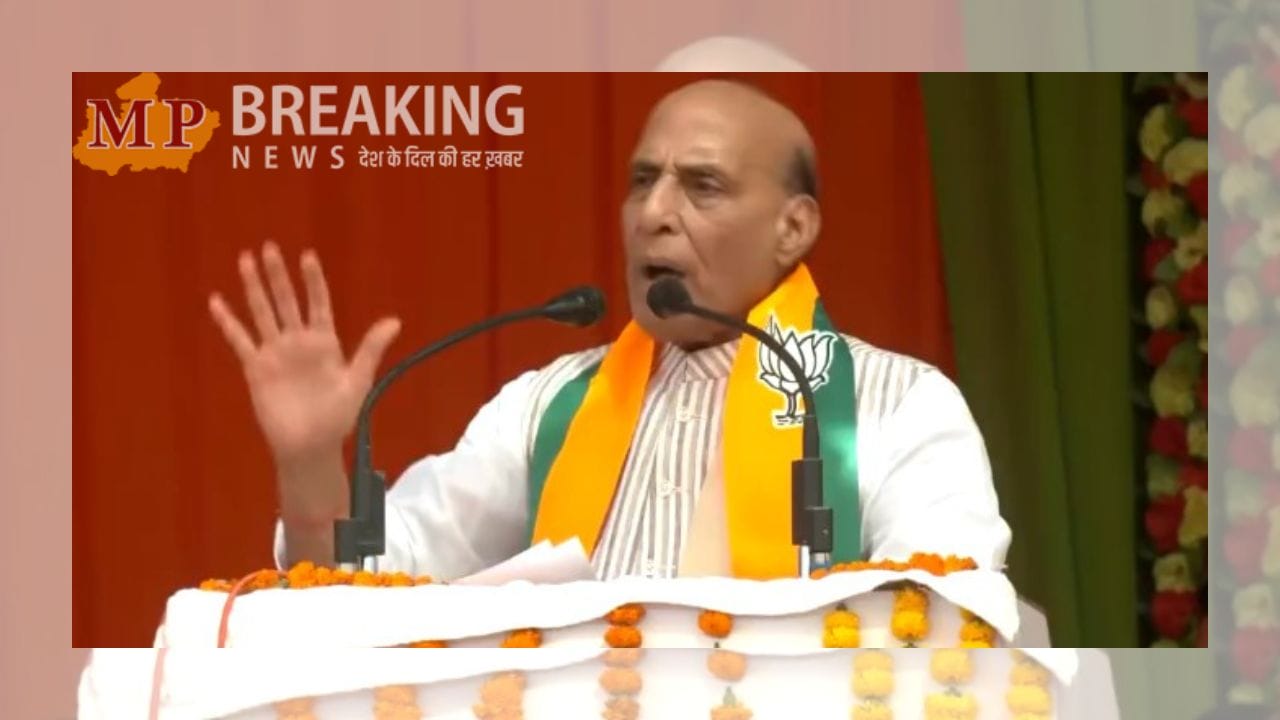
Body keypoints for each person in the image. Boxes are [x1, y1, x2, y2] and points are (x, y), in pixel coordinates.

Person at [208, 78, 1012, 581]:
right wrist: (311, 465)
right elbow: (368, 584)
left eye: (702, 186)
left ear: (793, 229)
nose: (653, 213)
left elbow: (946, 616)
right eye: (642, 181)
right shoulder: (549, 406)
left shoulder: (897, 403)